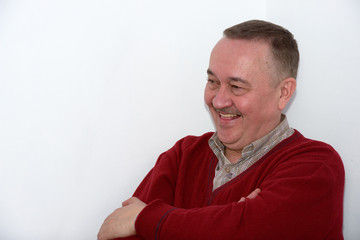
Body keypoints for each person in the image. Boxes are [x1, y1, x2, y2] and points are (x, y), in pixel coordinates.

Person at [98, 20, 345, 240]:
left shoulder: (315, 166)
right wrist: (228, 220)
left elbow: (247, 231)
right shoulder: (183, 155)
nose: (218, 101)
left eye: (236, 86)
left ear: (284, 93)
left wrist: (145, 219)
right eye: (213, 82)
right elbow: (117, 232)